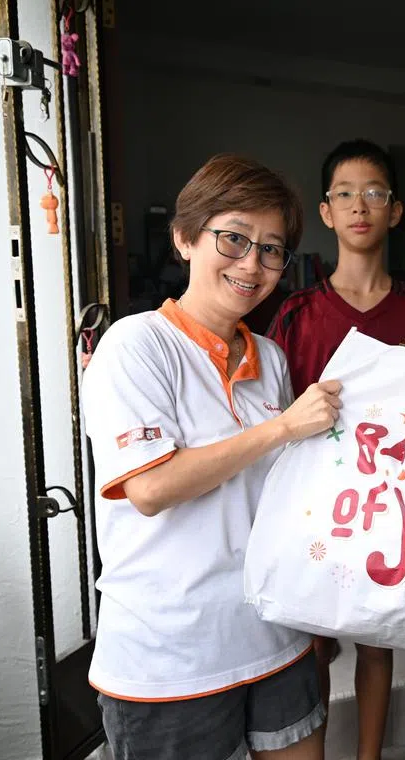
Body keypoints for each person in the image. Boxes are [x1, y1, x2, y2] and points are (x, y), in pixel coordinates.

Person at [81, 154, 342, 760]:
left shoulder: (270, 359)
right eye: (234, 238)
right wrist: (281, 429)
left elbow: (281, 495)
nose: (252, 263)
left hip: (275, 635)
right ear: (184, 238)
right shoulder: (137, 345)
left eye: (272, 249)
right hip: (170, 657)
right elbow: (149, 488)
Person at [267, 138, 405, 760]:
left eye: (375, 192)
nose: (359, 206)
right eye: (344, 194)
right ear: (325, 212)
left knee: (379, 636)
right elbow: (275, 414)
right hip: (318, 504)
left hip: (391, 499)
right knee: (312, 638)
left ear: (395, 210)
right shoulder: (295, 314)